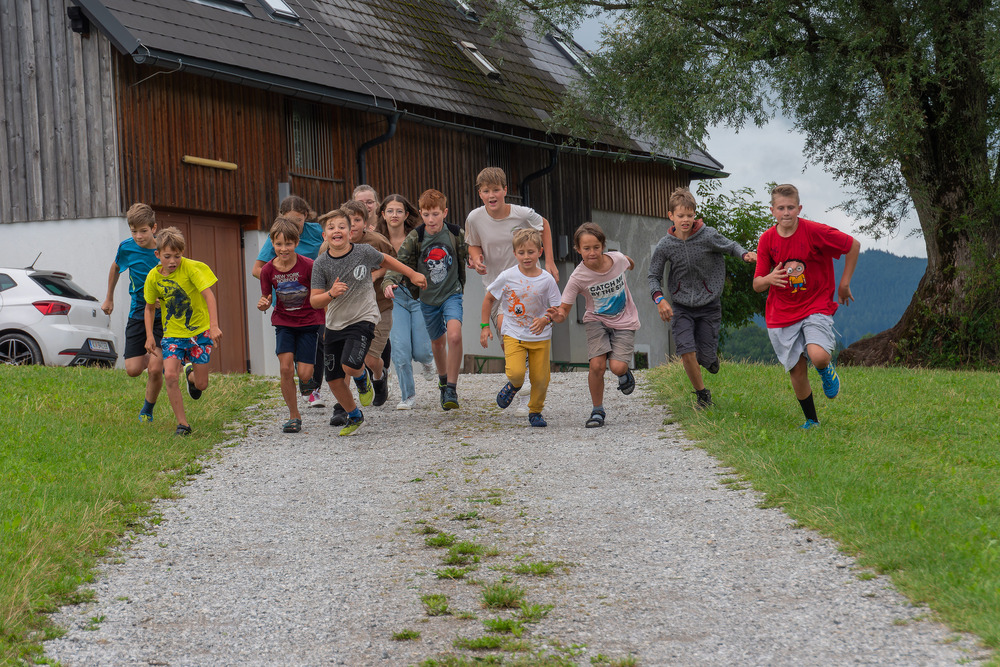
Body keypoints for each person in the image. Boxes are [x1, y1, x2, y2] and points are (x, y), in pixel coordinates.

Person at [753, 183, 860, 429]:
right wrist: (769, 279)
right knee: (797, 370)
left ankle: (825, 369)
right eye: (781, 208)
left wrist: (844, 284)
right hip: (781, 313)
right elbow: (757, 284)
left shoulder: (814, 231)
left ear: (799, 209)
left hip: (816, 304)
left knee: (818, 356)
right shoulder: (767, 239)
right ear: (772, 211)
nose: (786, 212)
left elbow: (852, 245)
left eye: (791, 207)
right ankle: (812, 420)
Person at [310, 208, 426, 435]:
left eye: (342, 227)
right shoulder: (321, 264)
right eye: (331, 228)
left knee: (350, 365)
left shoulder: (363, 252)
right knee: (333, 379)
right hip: (334, 323)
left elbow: (388, 260)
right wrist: (331, 293)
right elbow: (314, 300)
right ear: (324, 235)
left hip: (363, 317)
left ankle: (362, 377)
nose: (337, 231)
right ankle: (355, 415)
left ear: (350, 232)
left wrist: (412, 274)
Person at [647, 187, 757, 409]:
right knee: (686, 350)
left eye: (690, 215)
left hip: (709, 305)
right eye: (681, 215)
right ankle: (703, 396)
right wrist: (660, 299)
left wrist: (745, 254)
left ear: (694, 215)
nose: (686, 220)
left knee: (705, 359)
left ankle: (709, 358)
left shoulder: (707, 235)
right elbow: (653, 276)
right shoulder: (665, 245)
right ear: (671, 216)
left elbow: (731, 246)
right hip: (681, 306)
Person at [465, 167, 559, 414]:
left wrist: (549, 261)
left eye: (496, 190)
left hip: (527, 286)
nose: (491, 195)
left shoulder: (521, 214)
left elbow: (544, 225)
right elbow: (473, 245)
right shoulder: (474, 218)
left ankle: (525, 393)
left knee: (524, 336)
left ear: (505, 190)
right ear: (480, 193)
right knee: (509, 340)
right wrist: (476, 259)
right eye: (486, 191)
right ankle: (519, 382)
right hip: (498, 287)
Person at [547, 222, 640, 428]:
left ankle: (623, 372)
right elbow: (564, 310)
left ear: (603, 246)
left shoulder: (617, 259)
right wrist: (557, 316)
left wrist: (629, 263)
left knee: (617, 366)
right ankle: (597, 410)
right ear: (578, 249)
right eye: (586, 248)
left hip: (624, 319)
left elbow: (629, 263)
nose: (592, 252)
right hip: (596, 320)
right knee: (597, 365)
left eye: (596, 247)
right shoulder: (577, 277)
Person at [383, 189, 468, 411]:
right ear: (421, 213)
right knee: (437, 343)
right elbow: (399, 262)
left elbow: (471, 250)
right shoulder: (416, 237)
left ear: (445, 212)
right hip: (427, 299)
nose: (431, 219)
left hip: (451, 293)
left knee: (455, 335)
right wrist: (389, 281)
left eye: (436, 214)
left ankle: (451, 388)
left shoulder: (455, 233)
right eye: (427, 214)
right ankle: (443, 380)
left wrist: (477, 260)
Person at [143, 227, 222, 436]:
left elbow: (209, 296)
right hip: (173, 334)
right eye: (167, 256)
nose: (172, 261)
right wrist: (150, 336)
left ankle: (191, 376)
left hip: (199, 332)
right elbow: (149, 308)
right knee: (170, 375)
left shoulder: (190, 269)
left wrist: (213, 326)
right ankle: (183, 424)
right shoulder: (153, 277)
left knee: (202, 384)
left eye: (177, 256)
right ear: (157, 254)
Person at [251, 195, 328, 409]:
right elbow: (258, 269)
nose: (293, 226)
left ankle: (312, 388)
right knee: (288, 350)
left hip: (314, 298)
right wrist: (281, 279)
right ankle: (303, 392)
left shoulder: (317, 233)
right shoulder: (278, 237)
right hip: (285, 301)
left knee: (318, 344)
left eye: (298, 221)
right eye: (289, 221)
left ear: (306, 216)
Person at [324, 200, 396, 425]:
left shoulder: (375, 242)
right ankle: (342, 407)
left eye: (357, 220)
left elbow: (393, 262)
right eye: (348, 220)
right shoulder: (328, 248)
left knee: (370, 360)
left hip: (379, 308)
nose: (352, 225)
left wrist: (376, 275)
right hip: (345, 314)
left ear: (366, 223)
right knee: (346, 360)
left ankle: (379, 375)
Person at [480, 229, 561, 427]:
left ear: (540, 252)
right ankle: (514, 385)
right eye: (522, 252)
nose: (526, 257)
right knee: (516, 373)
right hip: (513, 333)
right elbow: (489, 299)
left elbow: (558, 310)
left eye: (531, 252)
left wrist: (546, 319)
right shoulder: (507, 276)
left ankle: (535, 412)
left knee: (540, 379)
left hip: (540, 336)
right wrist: (484, 326)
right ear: (514, 253)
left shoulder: (547, 280)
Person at [101, 203, 164, 423]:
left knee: (155, 369)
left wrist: (165, 298)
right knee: (133, 369)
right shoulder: (127, 248)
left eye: (143, 231)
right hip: (138, 311)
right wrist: (109, 297)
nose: (138, 236)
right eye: (134, 231)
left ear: (154, 228)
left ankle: (147, 410)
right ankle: (164, 359)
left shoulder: (164, 249)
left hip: (163, 315)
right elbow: (116, 267)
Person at [376, 194, 435, 409]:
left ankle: (427, 360)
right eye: (390, 211)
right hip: (394, 299)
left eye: (399, 211)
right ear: (383, 214)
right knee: (400, 350)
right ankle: (407, 396)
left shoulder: (418, 237)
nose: (394, 215)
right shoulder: (377, 241)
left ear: (406, 214)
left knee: (420, 351)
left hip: (419, 296)